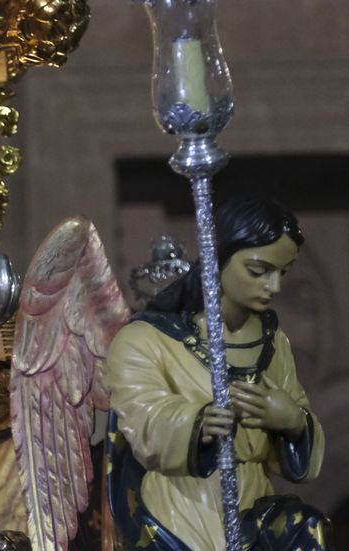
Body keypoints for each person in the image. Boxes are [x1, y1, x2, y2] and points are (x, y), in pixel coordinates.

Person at [105, 196, 330, 550]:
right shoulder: (145, 340)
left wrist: (292, 420)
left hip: (252, 506)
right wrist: (196, 423)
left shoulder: (274, 342)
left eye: (283, 273)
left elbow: (293, 440)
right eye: (258, 271)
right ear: (217, 257)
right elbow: (141, 420)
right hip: (180, 508)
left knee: (307, 528)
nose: (274, 287)